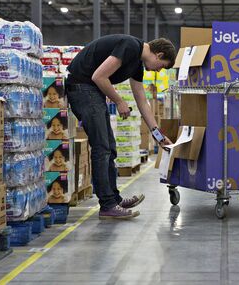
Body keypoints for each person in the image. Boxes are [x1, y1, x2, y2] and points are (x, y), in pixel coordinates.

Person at [65, 35, 176, 220]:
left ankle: (113, 200)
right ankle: (107, 205)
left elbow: (142, 101)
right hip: (82, 88)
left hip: (91, 91)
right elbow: (99, 76)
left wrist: (157, 134)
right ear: (159, 54)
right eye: (162, 66)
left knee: (109, 148)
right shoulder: (131, 46)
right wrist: (119, 101)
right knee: (102, 148)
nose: (158, 71)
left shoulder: (136, 64)